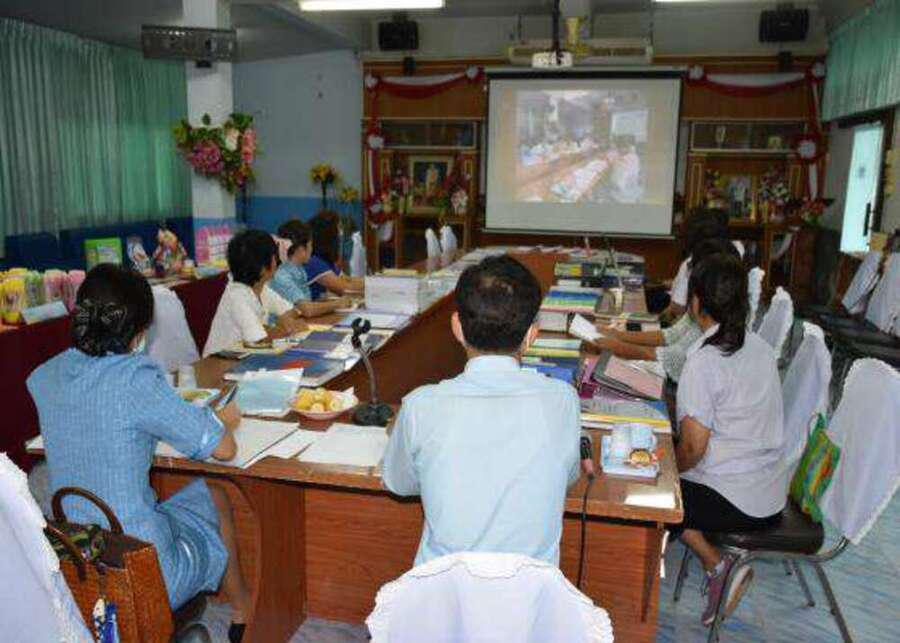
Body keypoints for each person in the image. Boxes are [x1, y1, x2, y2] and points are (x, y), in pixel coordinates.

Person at [27, 264, 252, 640]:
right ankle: (244, 609)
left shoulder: (45, 376)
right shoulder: (135, 379)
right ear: (138, 331)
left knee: (164, 505)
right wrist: (223, 419)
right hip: (142, 569)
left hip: (79, 560)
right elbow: (224, 449)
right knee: (215, 496)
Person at [382, 255, 581, 566]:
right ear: (532, 335)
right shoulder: (564, 400)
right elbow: (568, 478)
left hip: (443, 588)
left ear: (457, 327)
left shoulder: (420, 406)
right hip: (530, 592)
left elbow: (399, 483)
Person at [673, 253, 785, 626]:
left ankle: (717, 565)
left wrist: (665, 470)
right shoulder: (760, 347)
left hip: (736, 498)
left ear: (696, 302)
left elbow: (693, 449)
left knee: (654, 495)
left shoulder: (704, 362)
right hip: (770, 489)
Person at [591, 238, 741, 382]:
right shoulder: (705, 310)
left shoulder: (710, 321)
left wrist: (616, 345)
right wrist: (618, 335)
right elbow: (670, 335)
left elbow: (672, 358)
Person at [203, 229, 306, 357]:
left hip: (245, 355)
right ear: (263, 267)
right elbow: (258, 339)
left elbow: (292, 310)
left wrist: (285, 321)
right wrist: (284, 328)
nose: (277, 262)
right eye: (274, 257)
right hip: (219, 361)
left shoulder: (261, 288)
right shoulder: (236, 295)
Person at [264, 219, 351, 318]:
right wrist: (337, 304)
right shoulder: (282, 275)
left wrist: (322, 299)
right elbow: (307, 310)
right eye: (310, 245)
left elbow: (303, 302)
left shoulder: (299, 269)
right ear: (301, 249)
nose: (312, 249)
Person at [661, 211, 730, 323]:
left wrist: (659, 319)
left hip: (688, 322)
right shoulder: (728, 257)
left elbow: (678, 308)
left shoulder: (691, 263)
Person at [305, 211, 365, 300]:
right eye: (339, 228)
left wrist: (375, 282)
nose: (341, 233)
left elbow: (347, 279)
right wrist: (373, 286)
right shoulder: (314, 262)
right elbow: (344, 288)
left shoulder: (325, 260)